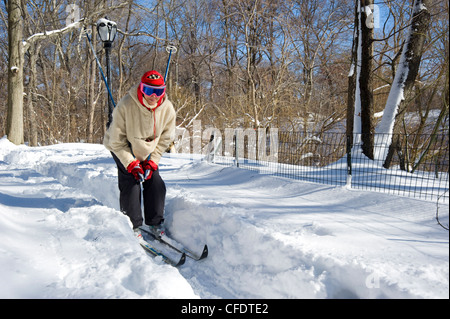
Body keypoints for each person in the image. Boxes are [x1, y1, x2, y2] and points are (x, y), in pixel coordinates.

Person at [103, 70, 176, 239]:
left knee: (155, 182)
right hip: (123, 146)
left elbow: (165, 139)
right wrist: (131, 163)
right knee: (132, 181)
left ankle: (155, 223)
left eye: (159, 91)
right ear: (141, 89)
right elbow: (116, 141)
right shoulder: (126, 105)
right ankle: (132, 226)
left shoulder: (167, 109)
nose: (154, 96)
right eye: (149, 90)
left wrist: (153, 161)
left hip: (147, 151)